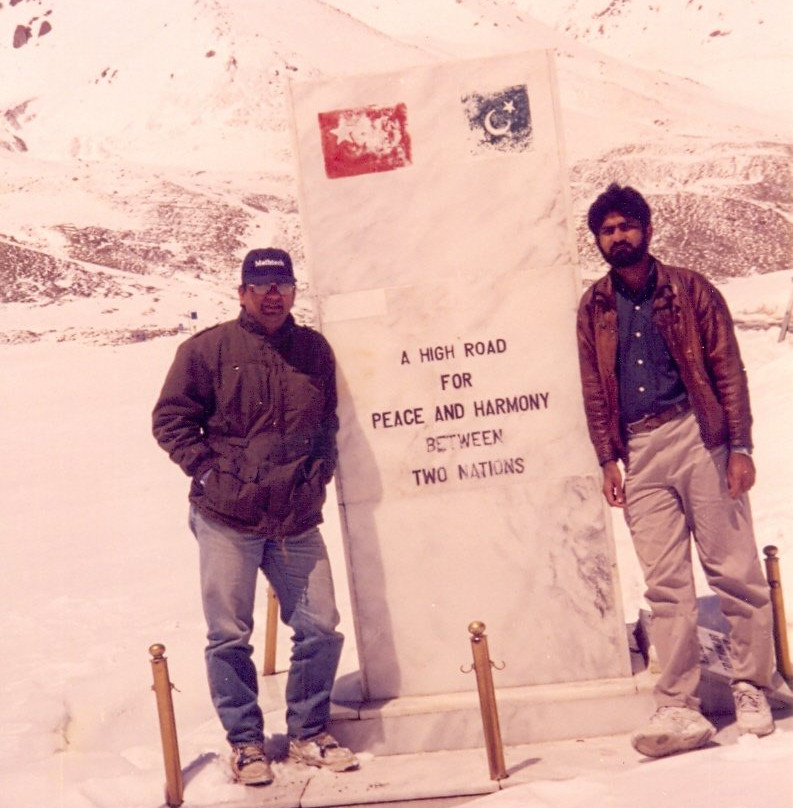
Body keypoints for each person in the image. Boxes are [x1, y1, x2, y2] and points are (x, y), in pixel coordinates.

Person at [576, 183, 776, 758]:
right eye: (607, 230)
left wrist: (739, 445)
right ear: (599, 240)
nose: (618, 236)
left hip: (698, 435)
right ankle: (678, 703)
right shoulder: (594, 307)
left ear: (647, 230)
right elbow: (594, 389)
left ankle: (750, 685)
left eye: (626, 226)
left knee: (734, 570)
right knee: (666, 585)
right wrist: (607, 457)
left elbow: (727, 369)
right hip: (639, 452)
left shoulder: (690, 290)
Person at [152, 248, 358, 785]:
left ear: (293, 291)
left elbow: (328, 423)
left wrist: (320, 474)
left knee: (320, 627)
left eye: (282, 285)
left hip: (294, 517)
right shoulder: (206, 350)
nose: (273, 295)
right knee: (229, 635)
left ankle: (309, 732)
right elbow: (170, 419)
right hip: (227, 517)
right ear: (242, 292)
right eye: (261, 286)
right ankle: (246, 743)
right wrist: (208, 471)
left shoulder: (313, 350)